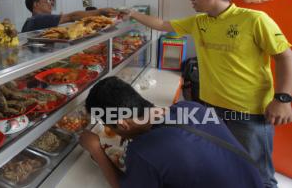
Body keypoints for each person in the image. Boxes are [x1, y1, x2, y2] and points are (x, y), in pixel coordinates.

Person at [126, 0, 292, 188]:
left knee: (259, 173)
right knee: (223, 163)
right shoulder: (198, 22)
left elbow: (285, 56)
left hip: (247, 112)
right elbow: (162, 24)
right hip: (209, 109)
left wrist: (283, 98)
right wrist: (131, 13)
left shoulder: (254, 19)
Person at [80, 77, 263, 188]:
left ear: (122, 124)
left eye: (111, 126)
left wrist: (96, 149)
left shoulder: (143, 151)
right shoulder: (191, 106)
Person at [21, 0, 118, 32]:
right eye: (46, 2)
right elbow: (72, 16)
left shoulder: (30, 21)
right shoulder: (39, 19)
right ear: (35, 5)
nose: (49, 5)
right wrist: (100, 11)